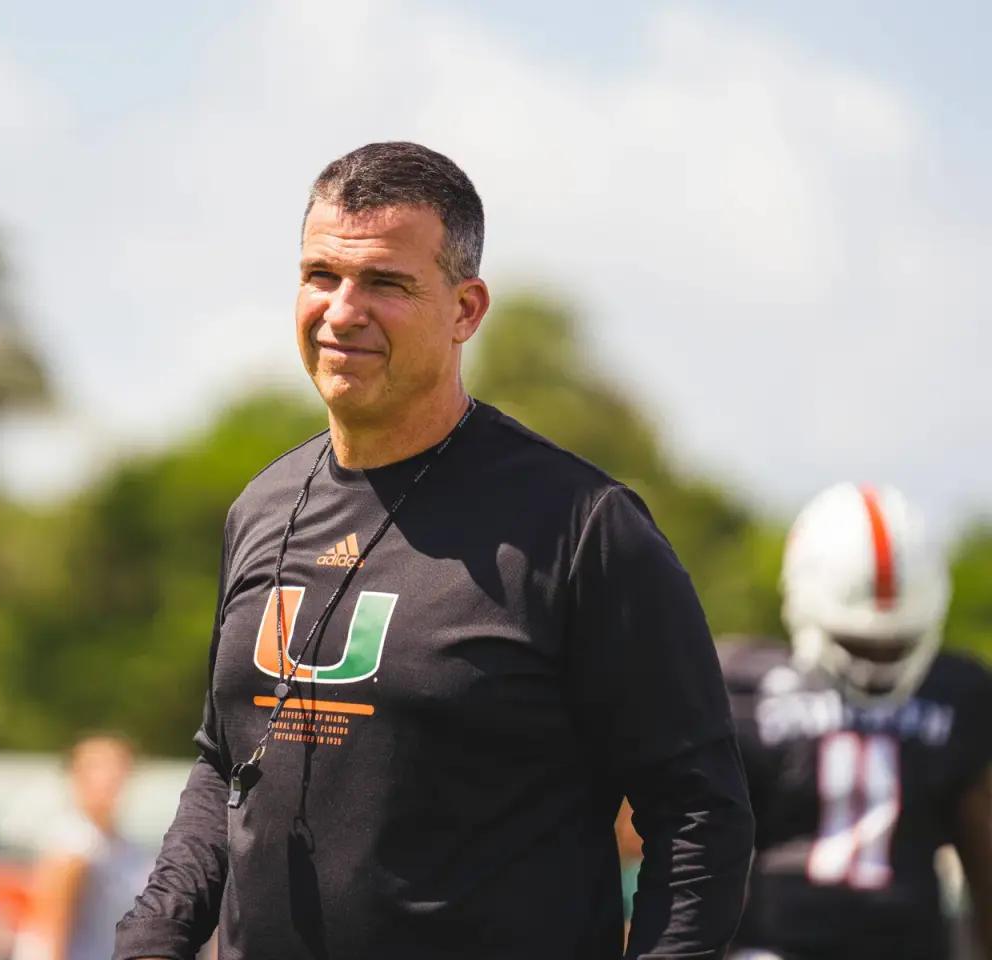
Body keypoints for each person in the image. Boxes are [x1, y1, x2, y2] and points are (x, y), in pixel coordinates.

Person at [114, 141, 753, 960]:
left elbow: (699, 813)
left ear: (466, 309)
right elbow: (222, 764)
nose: (343, 310)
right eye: (321, 276)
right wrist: (152, 939)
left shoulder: (583, 528)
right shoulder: (261, 507)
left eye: (385, 282)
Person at [721, 483, 992, 960]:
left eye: (896, 645)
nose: (876, 665)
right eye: (859, 645)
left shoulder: (745, 684)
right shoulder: (738, 684)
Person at [19, 734, 154, 960]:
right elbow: (47, 929)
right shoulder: (73, 843)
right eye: (97, 768)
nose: (109, 777)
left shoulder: (128, 848)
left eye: (117, 767)